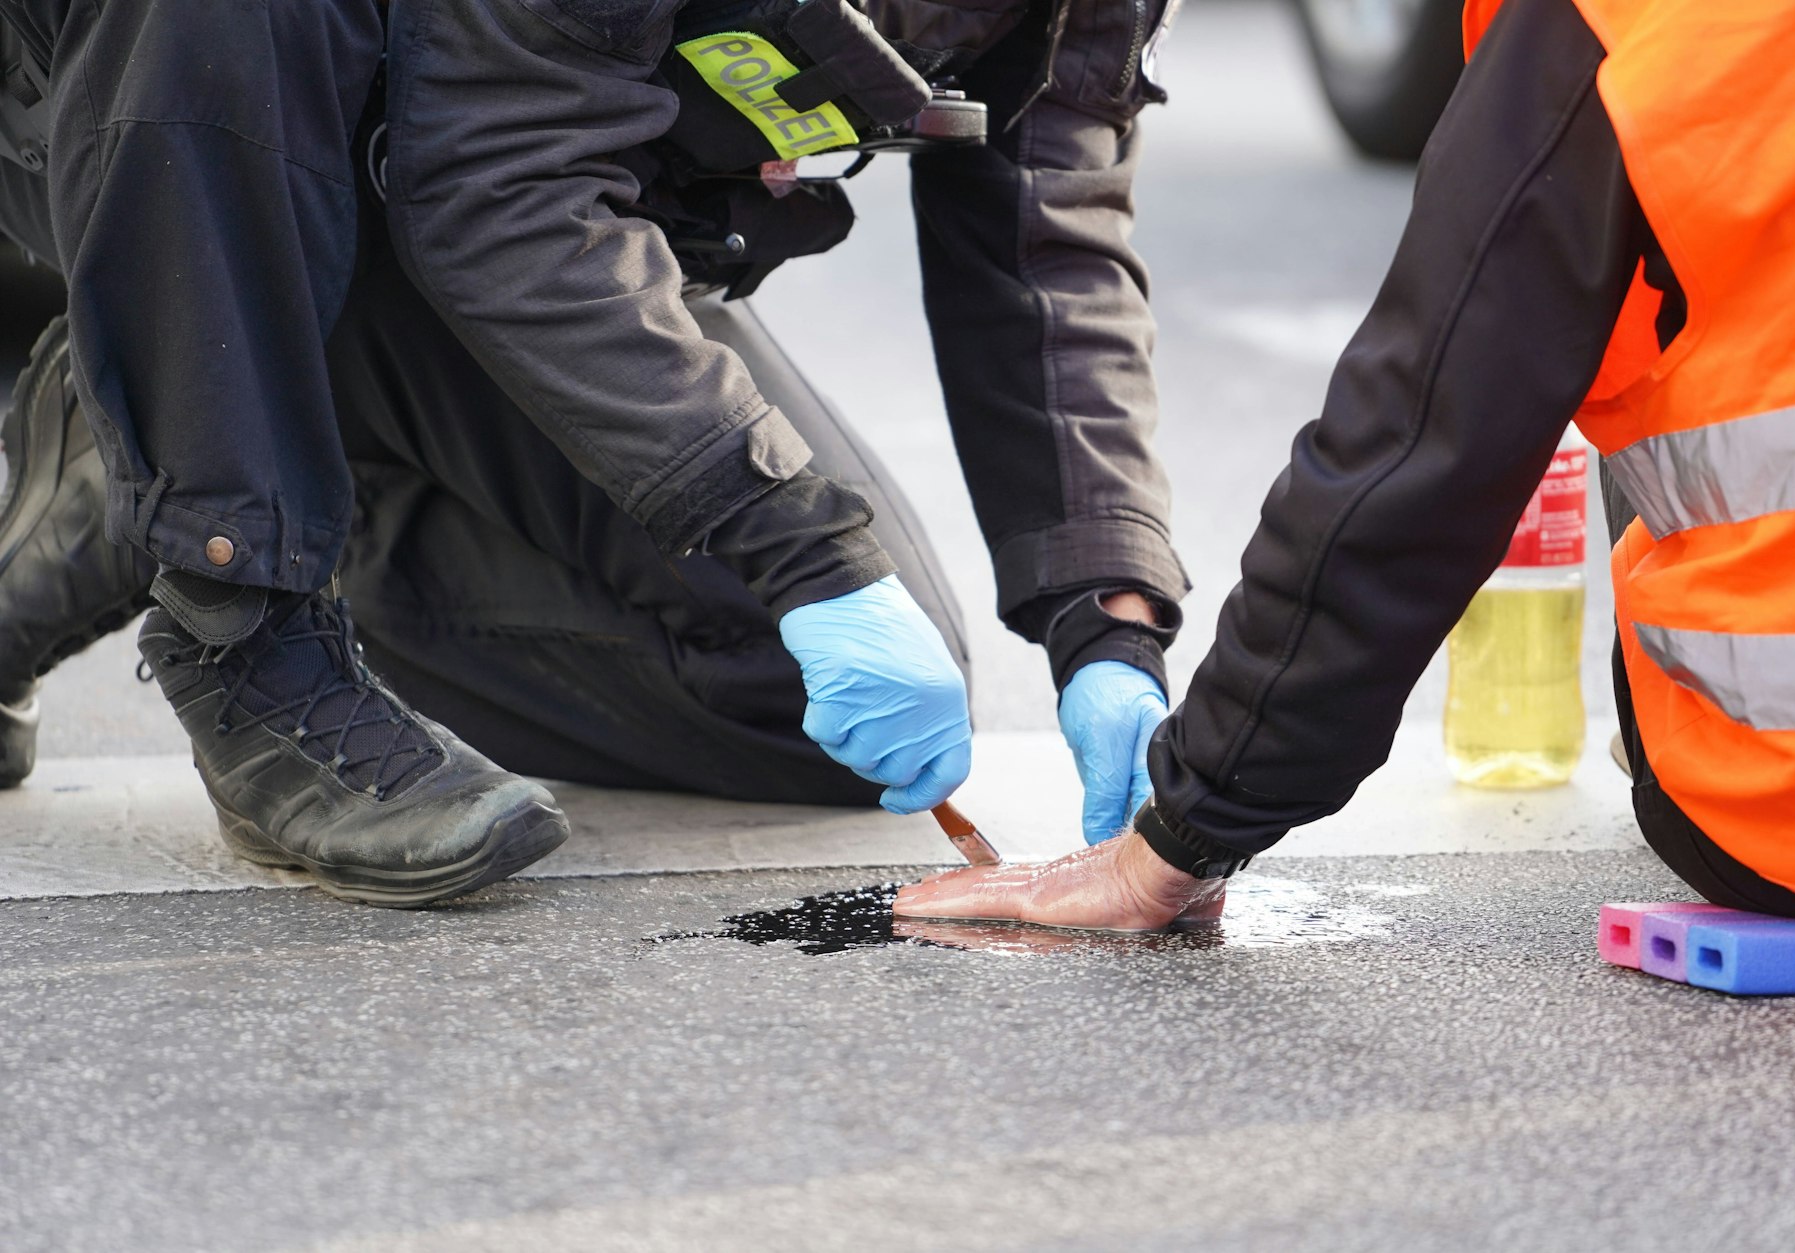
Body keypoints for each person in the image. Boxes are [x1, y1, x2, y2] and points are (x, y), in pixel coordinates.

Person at [0, 0, 1188, 902]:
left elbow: (1046, 248)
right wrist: (802, 547)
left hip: (509, 216)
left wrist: (1107, 619)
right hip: (158, 125)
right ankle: (239, 608)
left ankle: (197, 443)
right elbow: (499, 182)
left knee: (783, 695)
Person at [896, 0, 1795, 931]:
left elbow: (1429, 433)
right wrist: (1096, 609)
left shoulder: (1613, 20)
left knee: (1640, 323)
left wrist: (1186, 827)